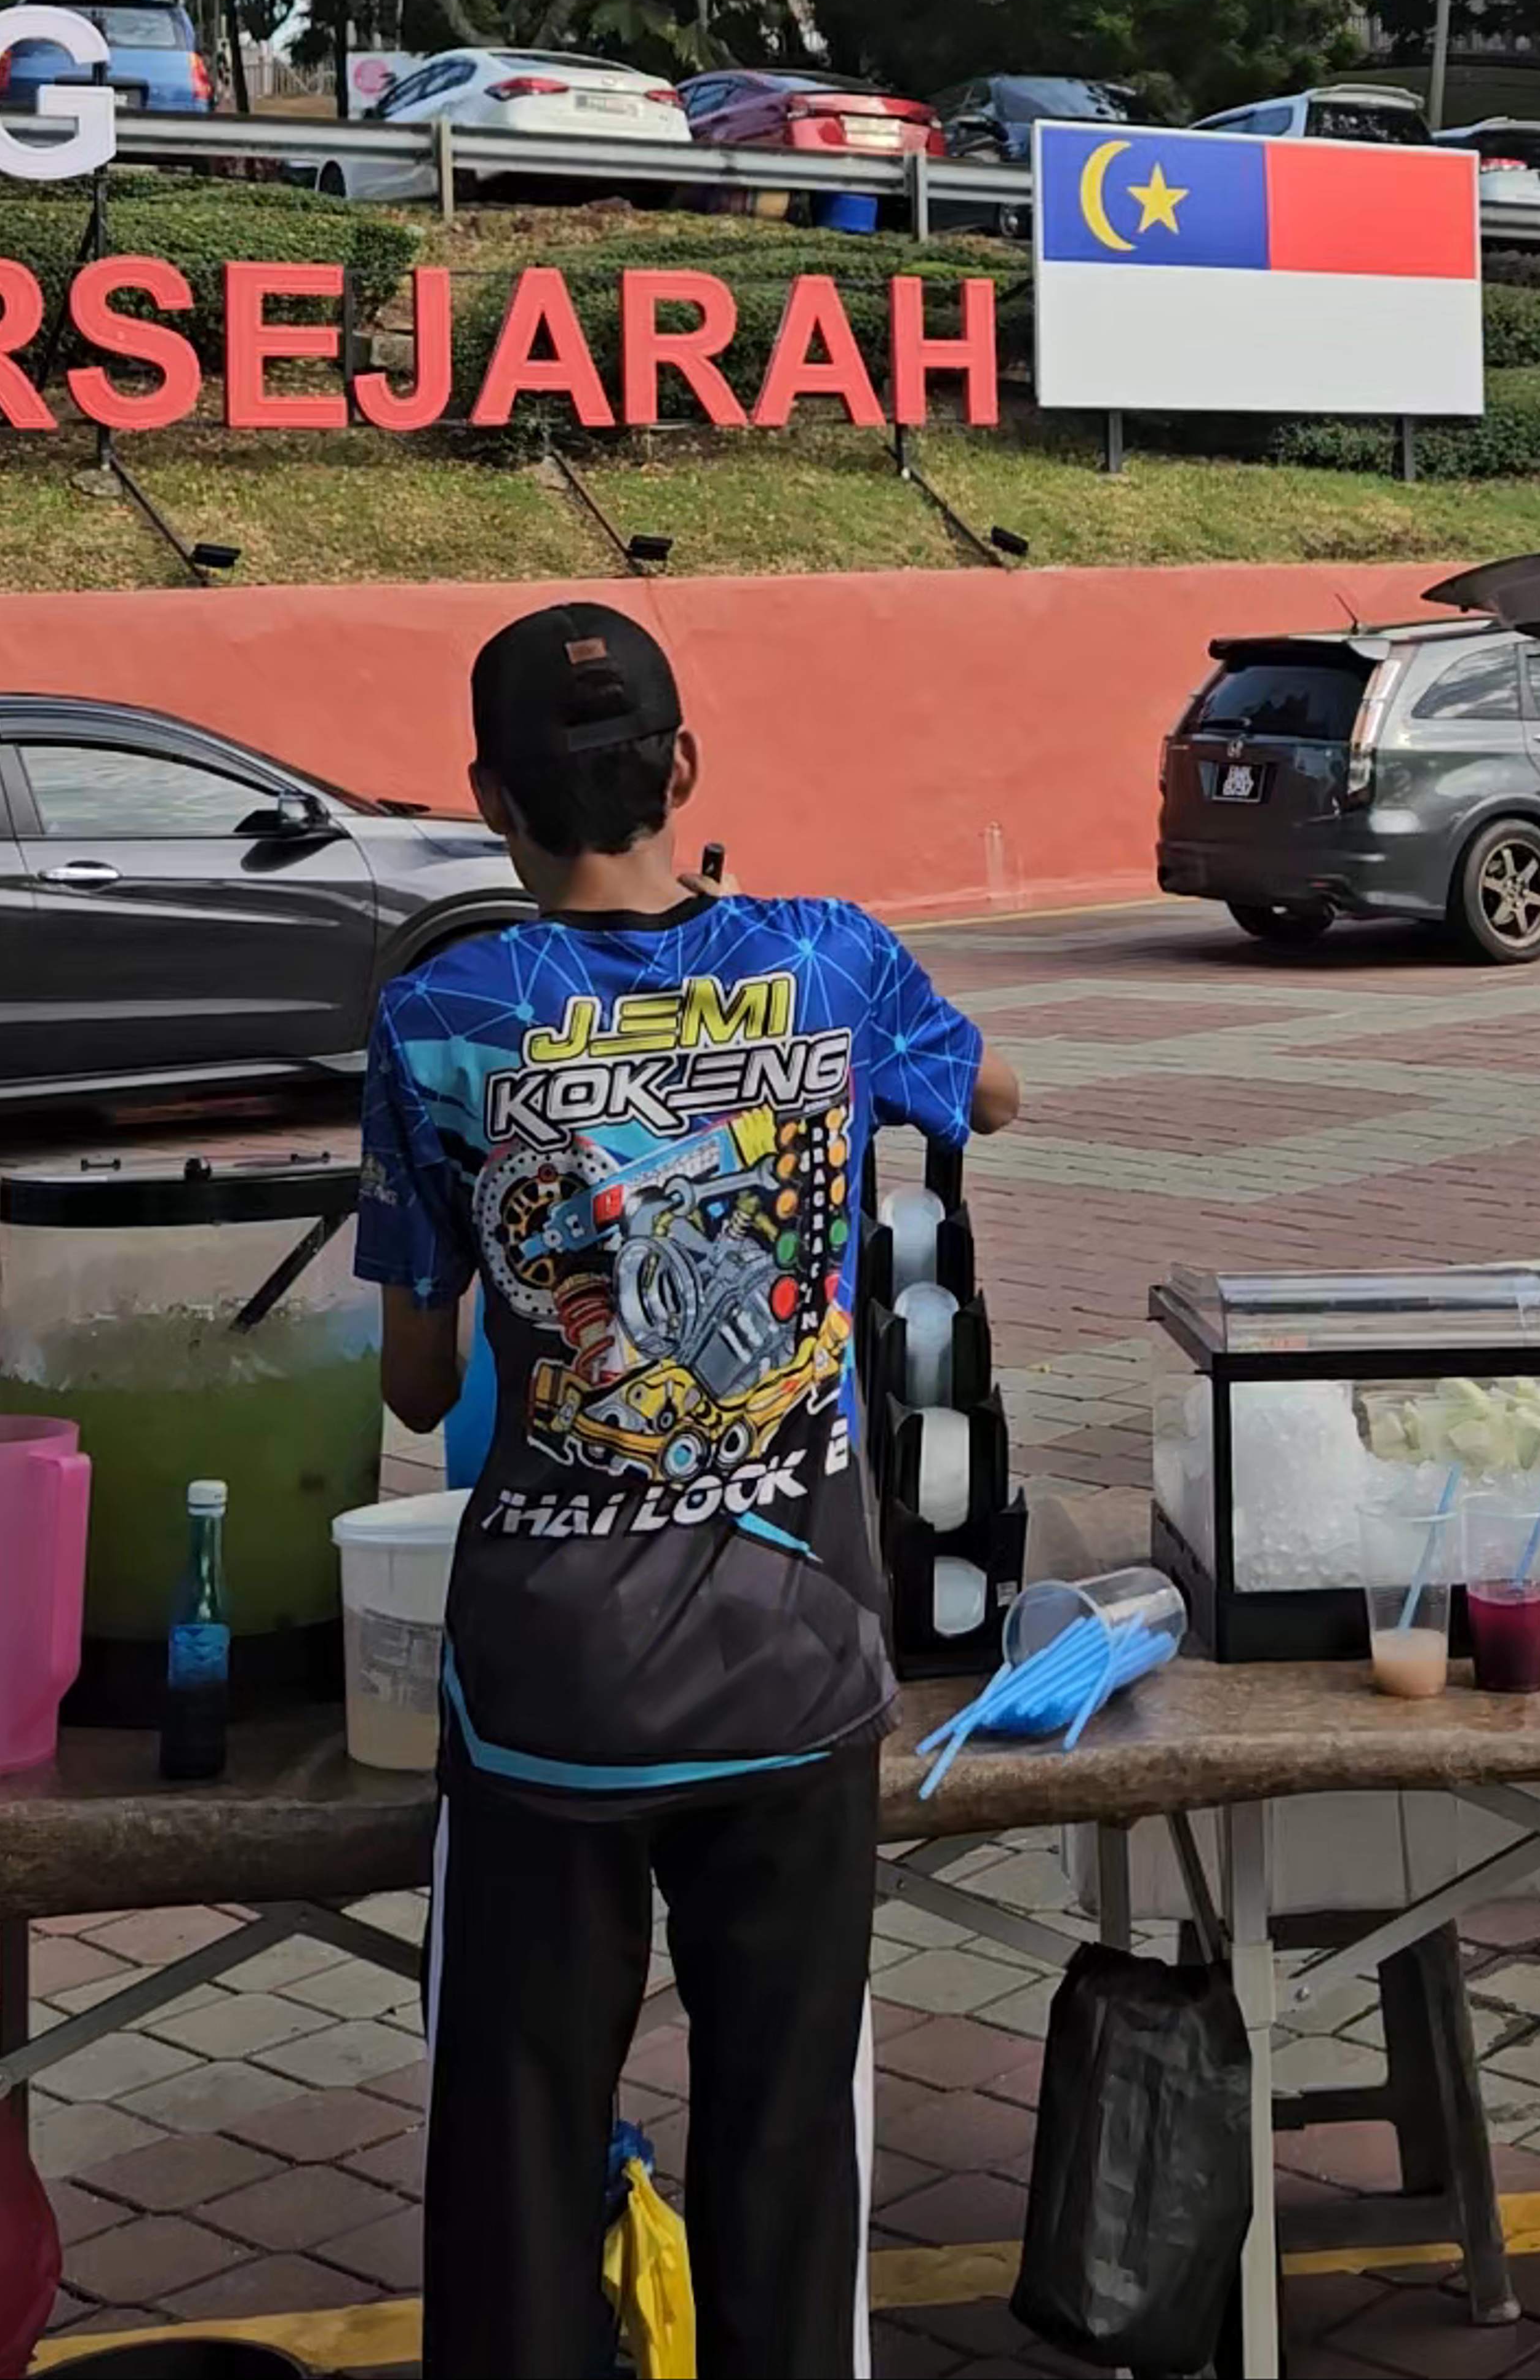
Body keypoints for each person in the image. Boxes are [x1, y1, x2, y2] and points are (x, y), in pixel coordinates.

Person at [356, 599, 1021, 2379]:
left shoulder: (440, 1017)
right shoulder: (830, 961)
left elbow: (424, 1388)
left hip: (549, 1690)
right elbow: (997, 1091)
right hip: (794, 1662)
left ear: (490, 796)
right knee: (786, 2143)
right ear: (686, 770)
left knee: (512, 2150)